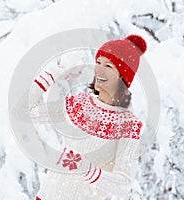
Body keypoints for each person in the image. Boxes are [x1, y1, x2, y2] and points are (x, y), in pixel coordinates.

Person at [32, 34, 147, 200]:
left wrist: (90, 171)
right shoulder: (79, 105)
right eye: (98, 62)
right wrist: (53, 73)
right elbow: (26, 112)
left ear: (123, 77)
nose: (99, 69)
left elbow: (124, 183)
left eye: (109, 66)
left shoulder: (128, 125)